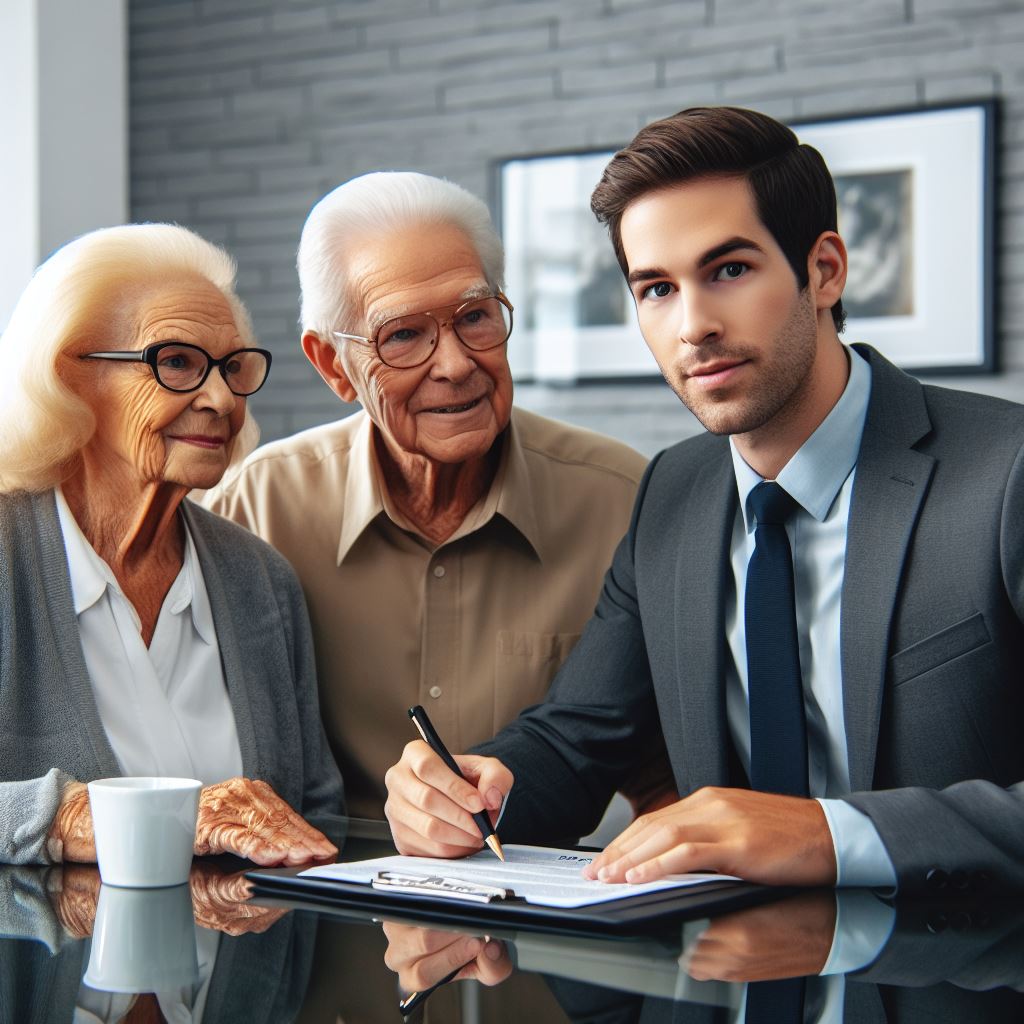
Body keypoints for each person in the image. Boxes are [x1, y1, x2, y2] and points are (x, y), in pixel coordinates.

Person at [383, 106, 1024, 895]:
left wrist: (832, 834)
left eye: (729, 270)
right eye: (656, 288)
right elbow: (580, 738)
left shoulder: (1007, 474)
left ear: (824, 270)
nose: (693, 327)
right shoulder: (673, 491)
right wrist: (473, 791)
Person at [203, 171, 669, 821]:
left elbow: (668, 773)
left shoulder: (624, 501)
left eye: (475, 317)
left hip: (532, 903)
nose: (454, 364)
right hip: (322, 905)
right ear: (334, 366)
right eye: (402, 336)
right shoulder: (253, 509)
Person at [0, 223, 343, 868]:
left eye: (232, 368)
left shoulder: (261, 579)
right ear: (68, 375)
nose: (219, 399)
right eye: (176, 362)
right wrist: (75, 817)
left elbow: (314, 816)